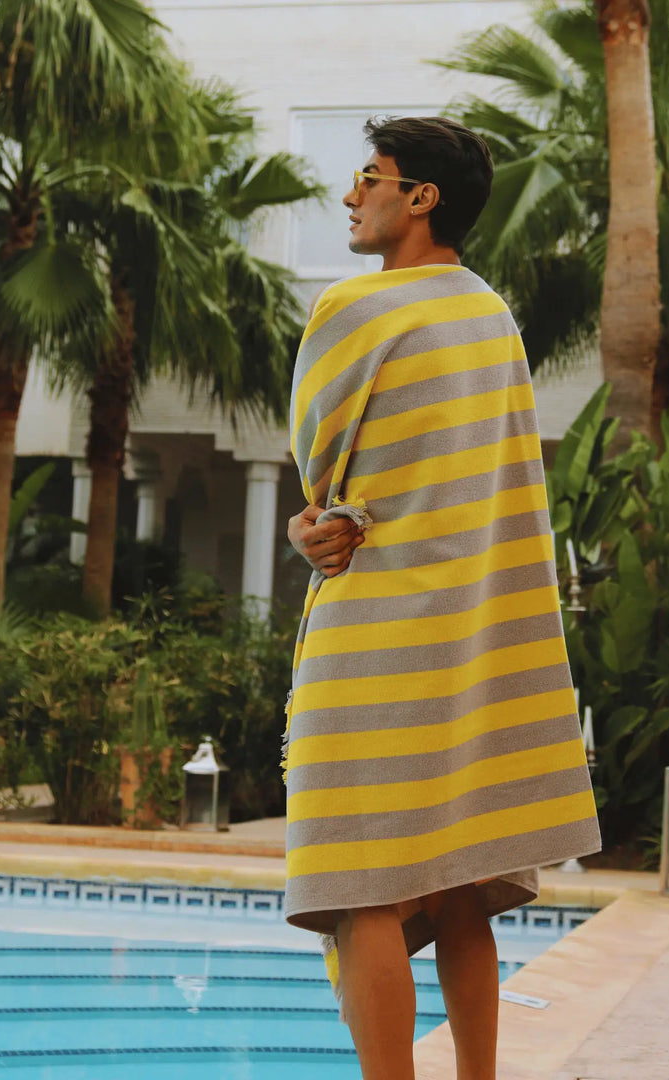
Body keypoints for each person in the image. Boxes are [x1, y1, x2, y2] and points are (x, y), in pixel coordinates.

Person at [283, 116, 600, 1080]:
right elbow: (488, 489)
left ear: (420, 198)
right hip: (477, 639)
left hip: (371, 637)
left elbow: (320, 483)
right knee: (461, 885)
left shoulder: (354, 310)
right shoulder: (492, 317)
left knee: (360, 885)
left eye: (368, 177)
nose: (351, 195)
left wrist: (314, 528)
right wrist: (325, 524)